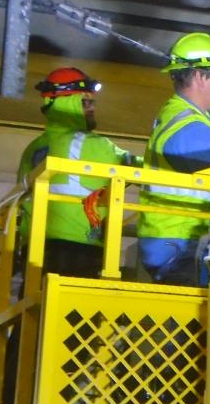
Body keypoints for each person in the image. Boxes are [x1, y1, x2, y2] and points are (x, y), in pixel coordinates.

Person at [138, 33, 210, 285]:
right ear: (201, 76)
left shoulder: (181, 115)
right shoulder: (191, 129)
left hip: (168, 240)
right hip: (182, 245)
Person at [16, 66, 139, 278]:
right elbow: (139, 169)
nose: (92, 108)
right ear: (67, 103)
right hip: (77, 251)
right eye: (85, 102)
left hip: (33, 253)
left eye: (92, 102)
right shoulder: (93, 145)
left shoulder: (33, 148)